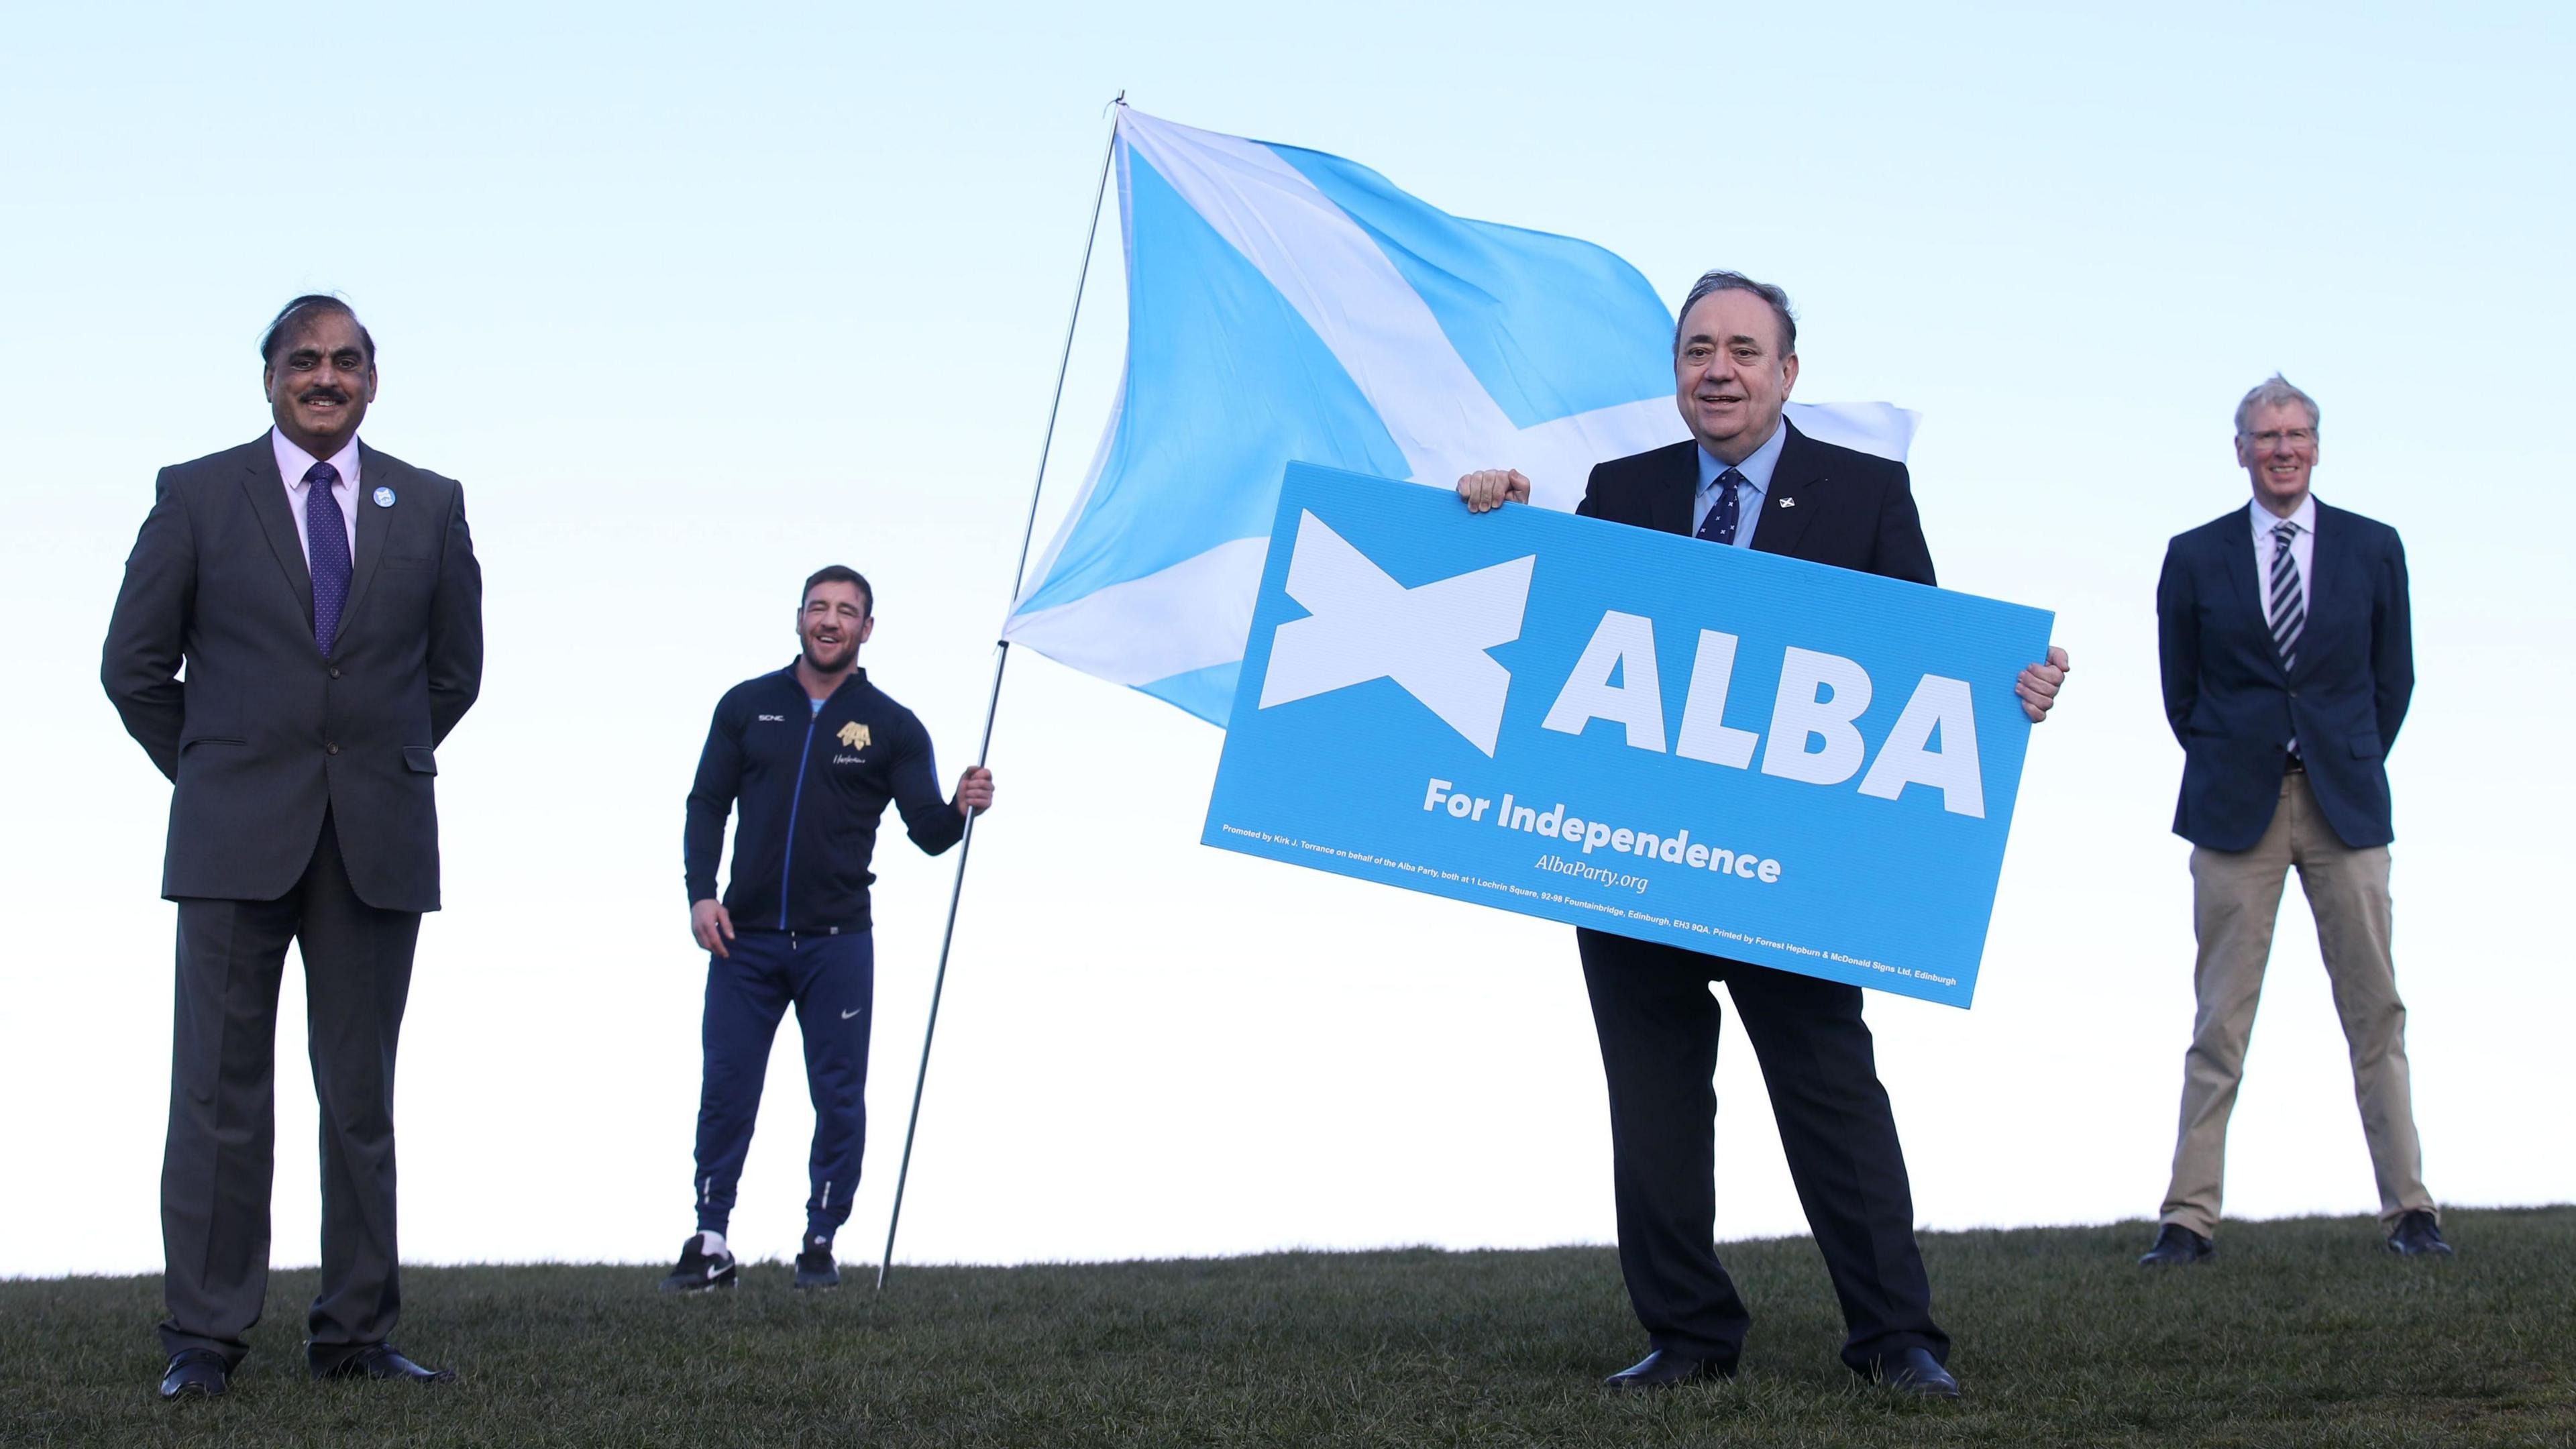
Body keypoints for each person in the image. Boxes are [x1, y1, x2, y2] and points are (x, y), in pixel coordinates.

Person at [1455, 270, 2069, 1395]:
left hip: (1794, 874)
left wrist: (2007, 693)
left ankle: (1898, 1339)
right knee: (1653, 1109)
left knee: (1832, 1096)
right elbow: (1556, 633)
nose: (1719, 369)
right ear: (1678, 370)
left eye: (1744, 349)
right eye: (1699, 350)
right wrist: (1486, 514)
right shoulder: (1619, 487)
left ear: (1788, 373)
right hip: (1633, 858)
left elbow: (1921, 660)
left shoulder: (1867, 493)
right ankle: (1688, 1337)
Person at [102, 296, 484, 1399]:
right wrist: (221, 769)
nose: (326, 376)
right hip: (232, 838)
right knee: (218, 1097)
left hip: (376, 838)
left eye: (347, 362)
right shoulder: (197, 495)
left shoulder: (430, 504)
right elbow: (134, 667)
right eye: (304, 361)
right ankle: (204, 1340)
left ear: (374, 380)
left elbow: (452, 674)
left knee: (359, 1096)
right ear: (268, 377)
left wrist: (358, 766)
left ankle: (356, 1333)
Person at [2138, 376, 2443, 1267]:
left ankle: (2412, 1211)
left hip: (2345, 804)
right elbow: (2181, 693)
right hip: (2236, 810)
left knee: (2376, 1011)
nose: (2282, 449)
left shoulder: (2373, 548)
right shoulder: (2194, 556)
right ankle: (2188, 1220)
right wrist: (2247, 754)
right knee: (2219, 1022)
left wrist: (2340, 752)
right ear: (2240, 450)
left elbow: (2396, 681)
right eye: (2265, 436)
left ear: (2317, 444)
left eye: (2296, 434)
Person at [666, 566, 994, 1292]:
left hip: (837, 942)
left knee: (839, 1094)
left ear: (866, 630)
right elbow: (706, 803)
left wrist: (962, 806)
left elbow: (930, 833)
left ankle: (820, 1238)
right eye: (819, 607)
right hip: (742, 939)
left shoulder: (893, 725)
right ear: (798, 618)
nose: (830, 620)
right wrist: (700, 895)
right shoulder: (746, 706)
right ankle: (711, 1237)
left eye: (847, 611)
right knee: (726, 1087)